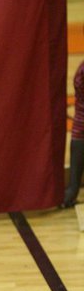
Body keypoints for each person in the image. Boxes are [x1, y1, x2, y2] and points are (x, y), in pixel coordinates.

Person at [62, 60, 84, 208]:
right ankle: (70, 193)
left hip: (79, 132)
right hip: (80, 132)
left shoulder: (81, 70)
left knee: (72, 189)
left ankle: (70, 193)